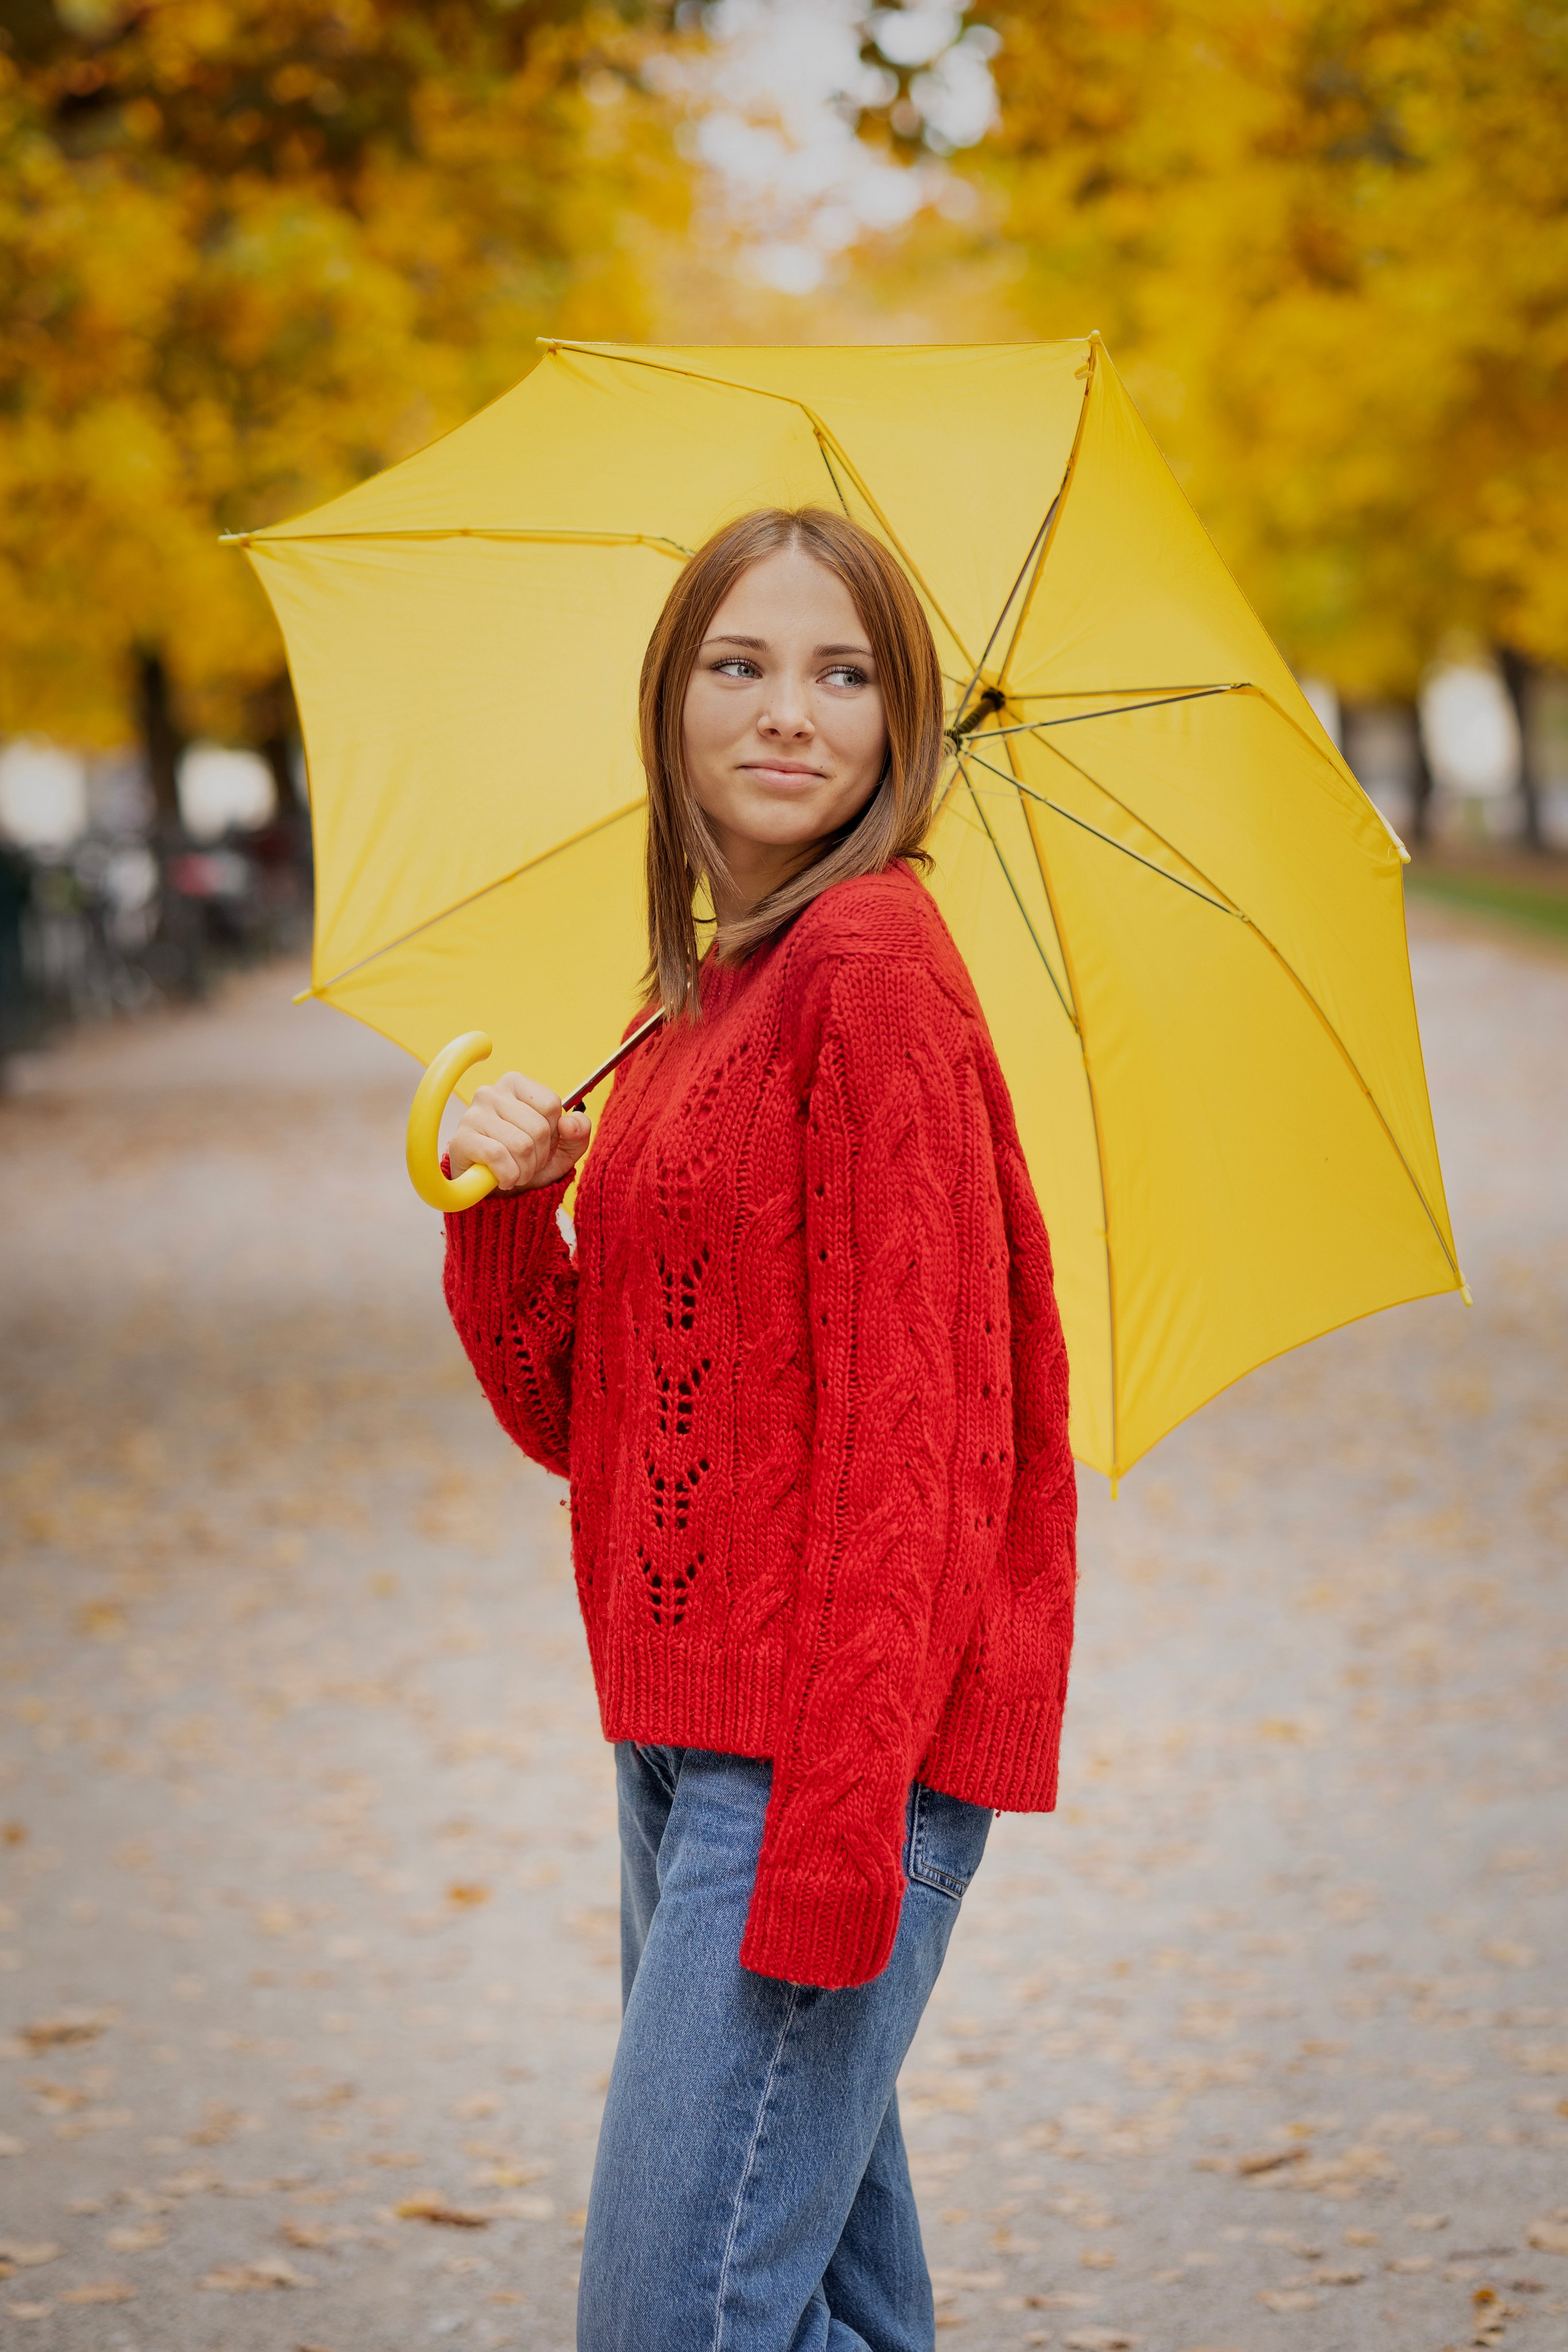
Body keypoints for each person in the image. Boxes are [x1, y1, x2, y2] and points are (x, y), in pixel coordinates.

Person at [440, 506, 1077, 2352]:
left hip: (817, 1759)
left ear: (901, 727)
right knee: (813, 2308)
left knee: (674, 2316)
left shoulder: (870, 970)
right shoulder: (697, 1001)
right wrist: (508, 1215)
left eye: (844, 671)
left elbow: (921, 1451)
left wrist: (835, 1824)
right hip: (681, 1735)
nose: (788, 712)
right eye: (741, 663)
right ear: (672, 703)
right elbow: (608, 1432)